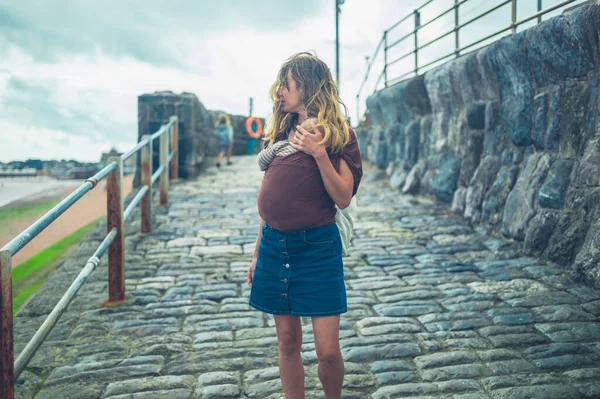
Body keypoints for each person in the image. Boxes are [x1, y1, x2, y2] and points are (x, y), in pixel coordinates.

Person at [247, 52, 363, 399]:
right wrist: (256, 254)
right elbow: (268, 206)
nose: (279, 91)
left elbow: (342, 196)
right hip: (273, 246)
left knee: (327, 349)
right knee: (286, 342)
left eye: (287, 84)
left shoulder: (340, 135)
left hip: (316, 249)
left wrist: (319, 154)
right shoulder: (279, 135)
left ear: (308, 87)